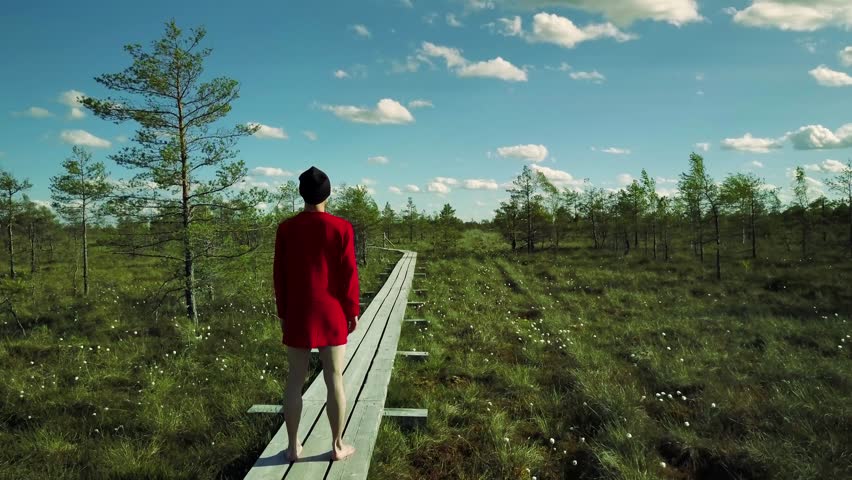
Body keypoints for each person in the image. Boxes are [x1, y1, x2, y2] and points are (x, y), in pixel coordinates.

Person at [273, 165, 360, 462]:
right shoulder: (341, 228)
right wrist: (352, 310)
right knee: (334, 378)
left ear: (302, 194)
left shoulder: (286, 229)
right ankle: (337, 445)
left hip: (298, 311)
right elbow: (349, 273)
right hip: (332, 311)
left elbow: (280, 275)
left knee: (294, 380)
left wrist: (283, 312)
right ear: (328, 194)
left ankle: (292, 447)